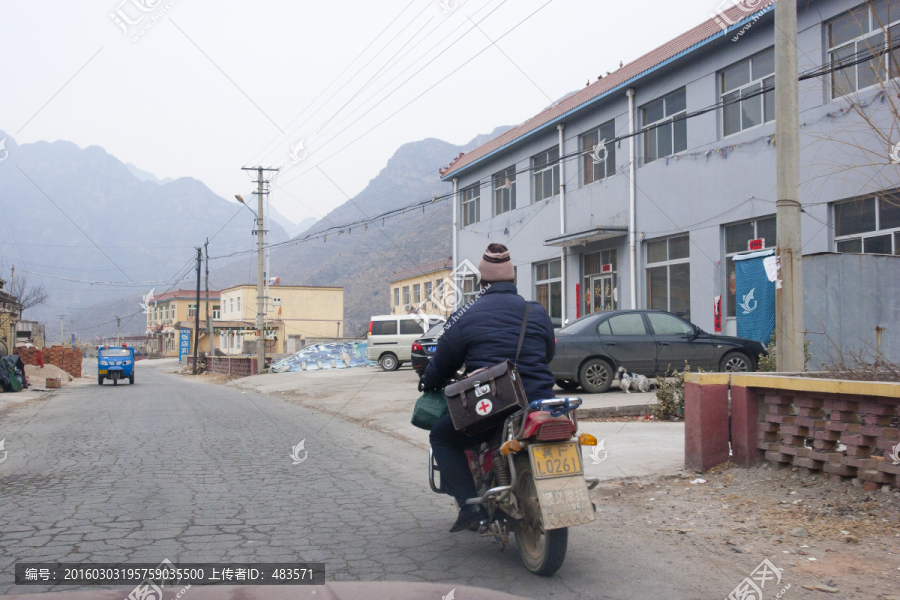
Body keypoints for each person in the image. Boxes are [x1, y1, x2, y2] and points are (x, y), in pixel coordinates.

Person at [421, 243, 556, 533]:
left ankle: (471, 509)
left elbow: (442, 364)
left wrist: (428, 380)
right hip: (540, 404)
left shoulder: (466, 316)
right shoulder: (537, 312)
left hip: (494, 408)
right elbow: (547, 355)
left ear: (482, 283)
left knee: (441, 436)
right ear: (513, 279)